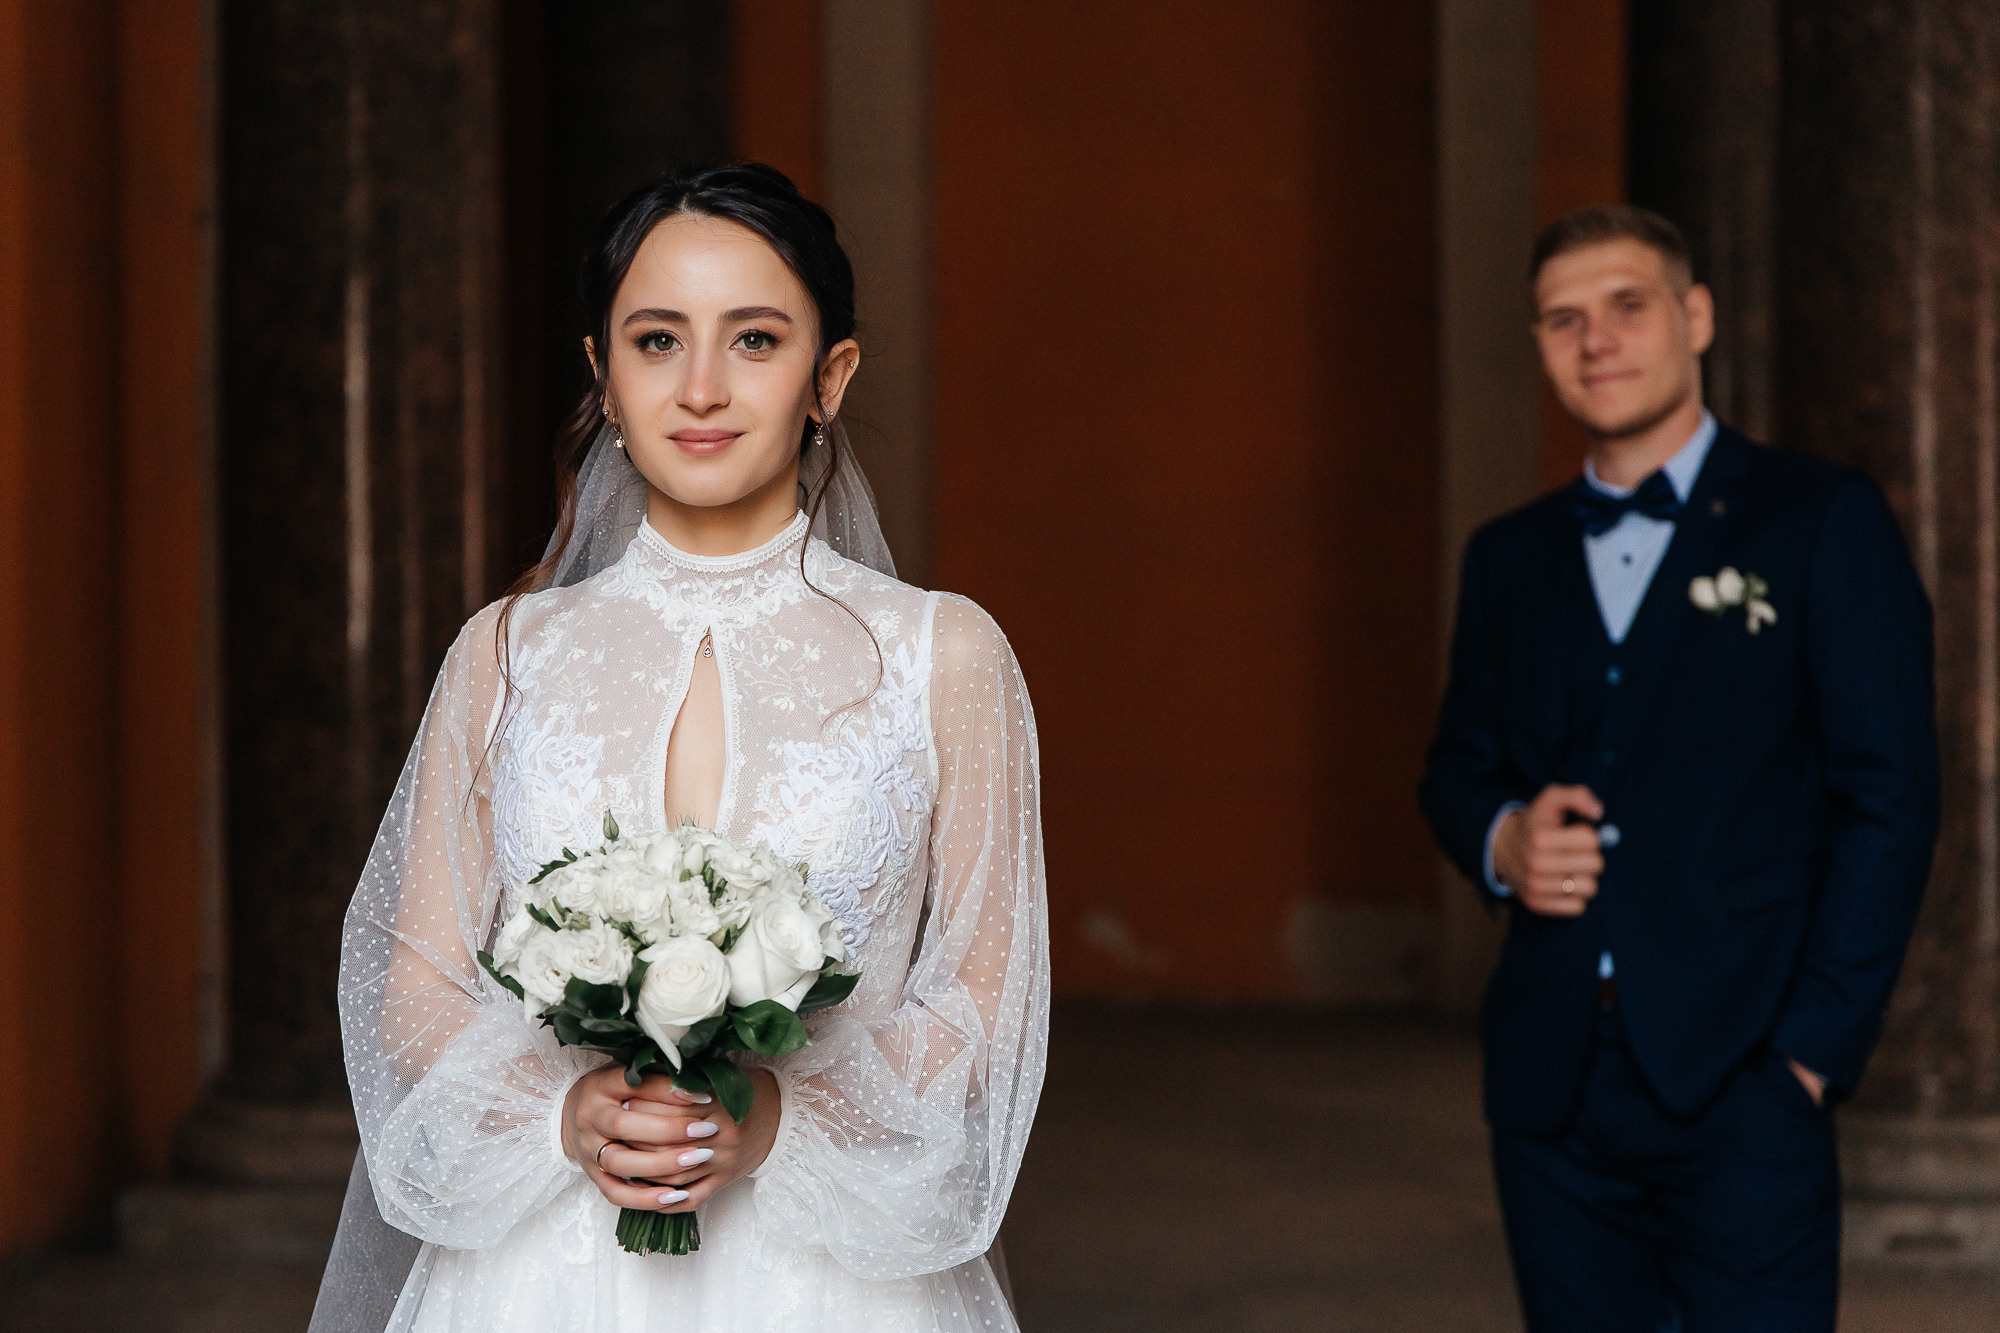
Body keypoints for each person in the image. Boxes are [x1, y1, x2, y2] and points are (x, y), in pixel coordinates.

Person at [308, 164, 1048, 1332]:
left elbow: (984, 1017)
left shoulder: (940, 655)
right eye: (657, 341)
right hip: (542, 1264)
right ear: (603, 377)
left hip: (832, 1276)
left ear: (830, 376)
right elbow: (413, 992)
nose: (700, 386)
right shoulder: (503, 652)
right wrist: (568, 1114)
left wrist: (774, 1116)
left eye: (754, 339)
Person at [1419, 205, 1939, 1330]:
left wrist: (1809, 1050)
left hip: (1748, 1072)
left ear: (1693, 316)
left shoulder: (1818, 522)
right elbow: (1453, 766)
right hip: (1550, 1092)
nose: (1593, 339)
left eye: (1624, 304)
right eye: (1561, 318)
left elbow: (1888, 797)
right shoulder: (1505, 556)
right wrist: (1500, 835)